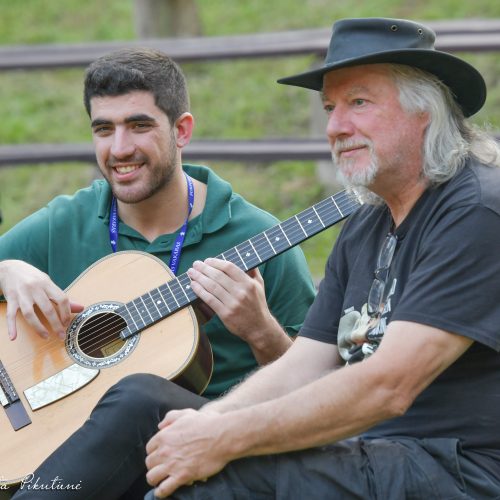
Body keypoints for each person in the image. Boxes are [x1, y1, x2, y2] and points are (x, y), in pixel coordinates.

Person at [139, 18, 500, 499]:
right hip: (377, 450)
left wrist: (222, 439)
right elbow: (303, 365)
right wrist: (206, 424)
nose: (334, 127)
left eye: (358, 103)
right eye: (330, 107)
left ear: (424, 113)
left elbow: (388, 386)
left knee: (217, 480)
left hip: (459, 469)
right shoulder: (368, 221)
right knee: (138, 407)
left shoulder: (475, 210)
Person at [0, 48, 316, 498]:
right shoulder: (65, 222)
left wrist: (262, 332)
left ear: (181, 130)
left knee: (137, 396)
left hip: (205, 466)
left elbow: (319, 393)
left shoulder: (259, 238)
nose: (120, 148)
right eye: (104, 129)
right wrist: (7, 270)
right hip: (61, 455)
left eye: (139, 125)